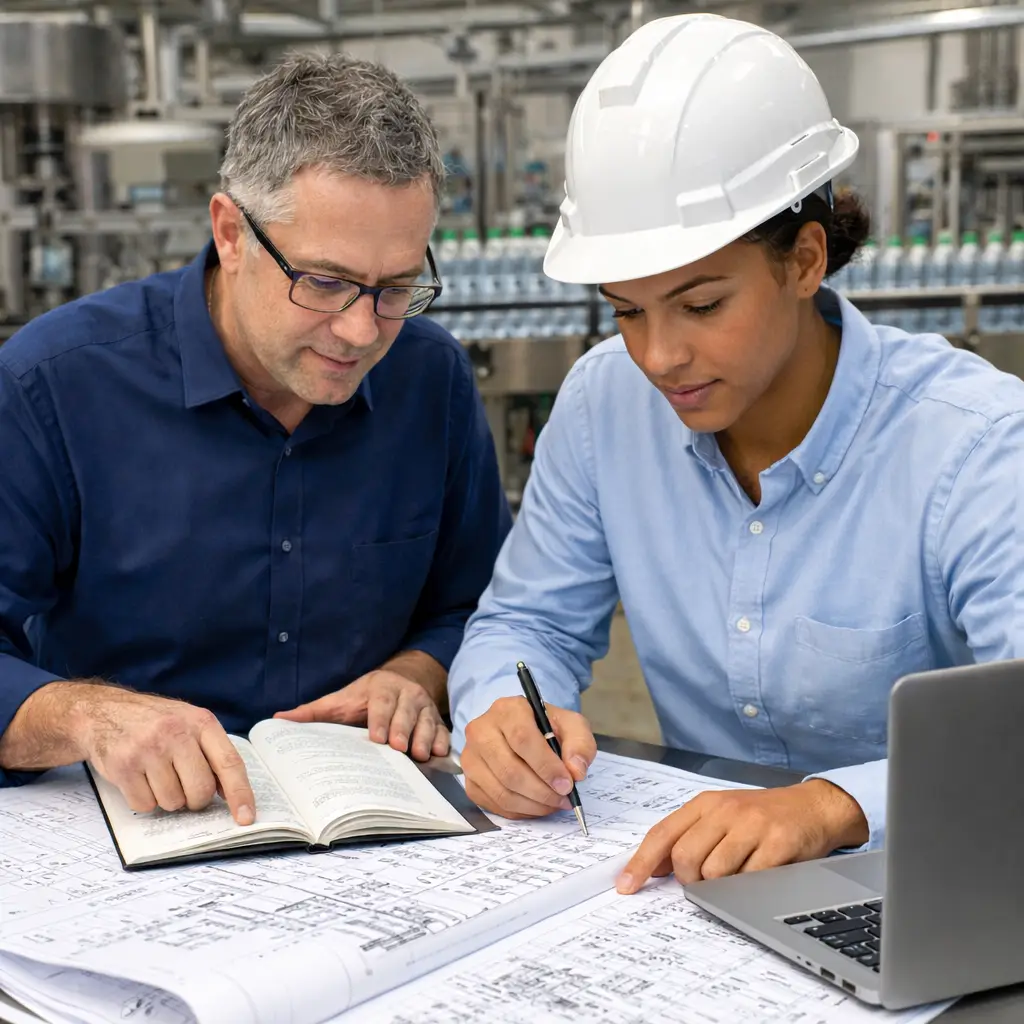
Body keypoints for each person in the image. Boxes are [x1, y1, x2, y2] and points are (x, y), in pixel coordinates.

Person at [450, 14, 1024, 893]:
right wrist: (499, 711)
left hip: (934, 881)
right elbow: (527, 623)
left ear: (803, 260)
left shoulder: (974, 445)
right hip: (694, 892)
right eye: (627, 310)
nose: (657, 356)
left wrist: (831, 806)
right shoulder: (607, 406)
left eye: (702, 305)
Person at [0, 54, 510, 825]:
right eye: (327, 283)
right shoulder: (53, 386)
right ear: (231, 232)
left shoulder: (428, 378)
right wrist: (89, 717)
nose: (362, 329)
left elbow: (482, 605)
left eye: (397, 286)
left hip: (376, 823)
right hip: (124, 836)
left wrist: (417, 672)